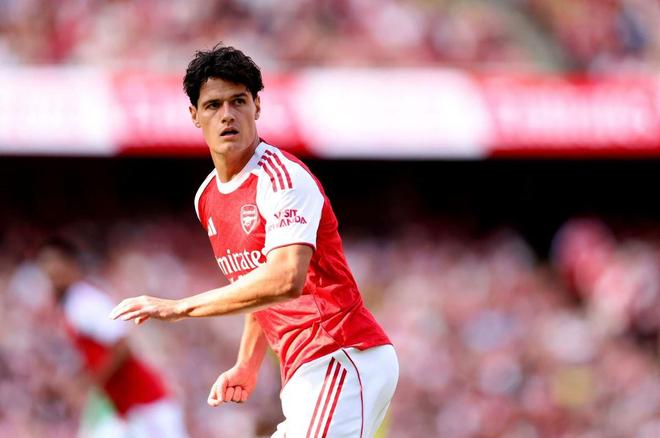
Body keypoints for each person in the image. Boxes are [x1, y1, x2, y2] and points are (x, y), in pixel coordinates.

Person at [109, 44, 399, 438]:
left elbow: (284, 280)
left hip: (340, 353)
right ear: (194, 115)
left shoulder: (282, 179)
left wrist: (179, 307)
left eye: (238, 101)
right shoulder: (207, 197)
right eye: (213, 105)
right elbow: (257, 283)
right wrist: (247, 363)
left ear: (257, 106)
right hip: (303, 371)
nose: (227, 114)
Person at [37, 238, 188, 438]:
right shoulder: (72, 303)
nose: (52, 271)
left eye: (56, 263)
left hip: (146, 403)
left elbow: (121, 346)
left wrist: (88, 382)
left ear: (71, 265)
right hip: (129, 407)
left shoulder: (84, 301)